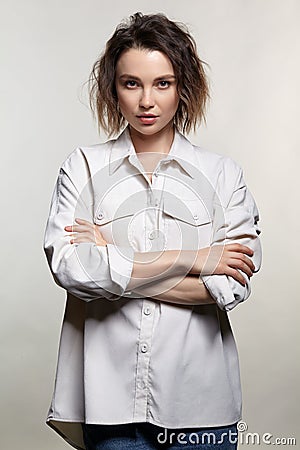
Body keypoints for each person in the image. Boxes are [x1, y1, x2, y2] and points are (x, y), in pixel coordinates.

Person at [43, 12, 262, 450]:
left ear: (183, 88)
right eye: (131, 83)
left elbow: (229, 286)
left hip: (201, 408)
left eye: (162, 83)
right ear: (113, 88)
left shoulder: (222, 175)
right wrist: (192, 258)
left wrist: (113, 263)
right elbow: (71, 269)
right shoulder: (82, 168)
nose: (147, 100)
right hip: (107, 409)